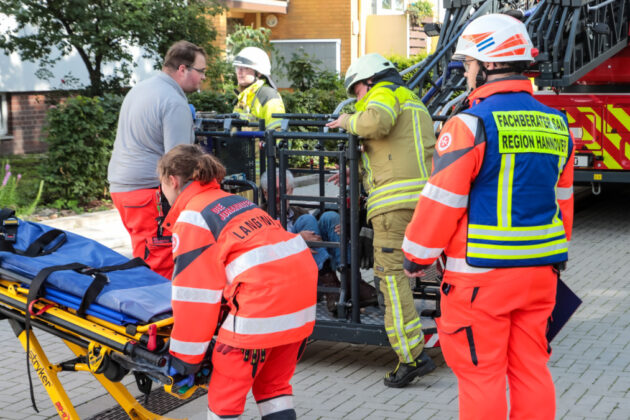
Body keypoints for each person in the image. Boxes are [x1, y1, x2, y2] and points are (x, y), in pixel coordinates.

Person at [402, 14, 575, 420]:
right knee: (531, 369)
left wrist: (416, 258)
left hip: (481, 277)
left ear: (489, 65)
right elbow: (562, 202)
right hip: (541, 271)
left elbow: (441, 201)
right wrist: (553, 255)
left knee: (482, 375)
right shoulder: (558, 123)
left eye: (467, 64)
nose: (465, 73)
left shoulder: (469, 124)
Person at [159, 144, 317, 419]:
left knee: (225, 401)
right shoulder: (235, 201)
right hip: (299, 303)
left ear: (172, 180)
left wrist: (185, 360)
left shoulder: (194, 217)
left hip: (261, 308)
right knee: (274, 390)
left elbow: (195, 296)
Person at [326, 53, 437, 387]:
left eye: (356, 91)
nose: (358, 100)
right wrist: (352, 170)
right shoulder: (413, 100)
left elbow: (377, 123)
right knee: (418, 271)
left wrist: (346, 121)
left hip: (394, 206)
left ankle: (412, 356)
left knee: (389, 278)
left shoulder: (383, 93)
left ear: (367, 81)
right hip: (425, 200)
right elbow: (394, 150)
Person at [107, 40, 207, 279]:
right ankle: (162, 315)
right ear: (183, 69)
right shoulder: (173, 101)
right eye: (201, 71)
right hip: (148, 192)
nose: (203, 77)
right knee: (160, 264)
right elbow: (179, 162)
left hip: (123, 189)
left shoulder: (141, 88)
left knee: (144, 258)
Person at [259, 169, 377, 311]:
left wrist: (339, 229)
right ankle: (331, 286)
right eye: (274, 191)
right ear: (265, 193)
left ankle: (352, 281)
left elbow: (318, 238)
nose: (279, 196)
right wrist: (296, 240)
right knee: (308, 219)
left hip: (312, 270)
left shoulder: (299, 211)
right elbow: (262, 250)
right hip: (288, 278)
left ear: (291, 190)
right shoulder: (259, 217)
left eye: (284, 190)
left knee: (330, 217)